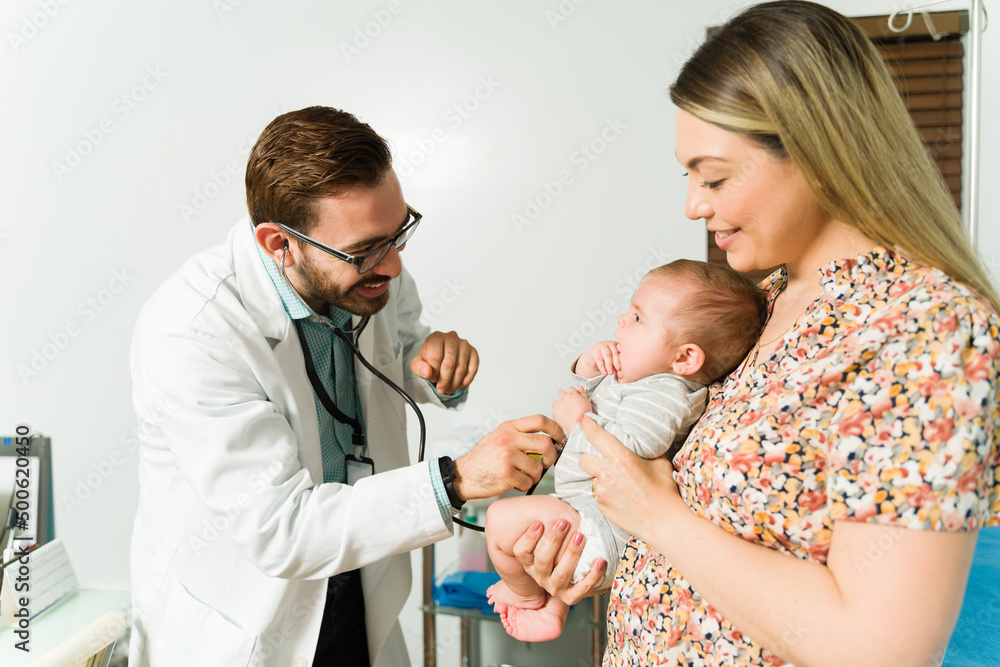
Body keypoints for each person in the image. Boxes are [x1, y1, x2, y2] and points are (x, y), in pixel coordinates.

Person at [508, 3, 1000, 665]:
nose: (693, 204)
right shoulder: (764, 306)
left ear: (819, 153)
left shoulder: (925, 328)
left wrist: (657, 515)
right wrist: (597, 547)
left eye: (713, 176)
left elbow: (880, 650)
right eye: (688, 176)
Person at [127, 106, 562, 667]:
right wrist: (456, 480)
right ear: (278, 244)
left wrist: (434, 364)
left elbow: (395, 351)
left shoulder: (369, 271)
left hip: (356, 587)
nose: (395, 267)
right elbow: (281, 528)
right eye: (366, 252)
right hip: (245, 622)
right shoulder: (193, 332)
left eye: (399, 233)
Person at [485, 260, 767, 641]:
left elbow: (628, 448)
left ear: (684, 358)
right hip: (590, 511)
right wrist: (591, 365)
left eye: (637, 318)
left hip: (606, 525)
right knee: (513, 523)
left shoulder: (667, 393)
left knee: (500, 519)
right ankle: (552, 606)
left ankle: (526, 595)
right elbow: (603, 399)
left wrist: (578, 420)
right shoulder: (648, 380)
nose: (621, 319)